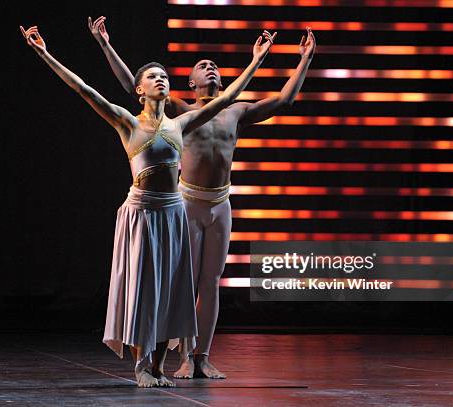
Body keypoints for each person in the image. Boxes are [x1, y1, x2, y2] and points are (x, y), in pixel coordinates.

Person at [20, 24, 275, 387]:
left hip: (174, 212)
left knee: (172, 290)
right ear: (139, 90)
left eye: (165, 76)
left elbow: (226, 98)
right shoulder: (127, 122)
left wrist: (256, 62)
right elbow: (83, 89)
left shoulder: (181, 123)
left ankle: (158, 365)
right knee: (144, 287)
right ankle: (141, 366)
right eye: (153, 77)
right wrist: (45, 53)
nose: (161, 80)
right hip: (142, 212)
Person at [89, 15, 316, 380]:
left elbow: (285, 100)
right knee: (182, 282)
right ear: (191, 82)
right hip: (186, 203)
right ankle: (179, 358)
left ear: (223, 81)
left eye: (214, 66)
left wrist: (304, 59)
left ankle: (202, 355)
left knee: (211, 281)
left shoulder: (236, 111)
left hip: (220, 203)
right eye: (201, 66)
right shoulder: (180, 111)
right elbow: (131, 83)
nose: (209, 67)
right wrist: (105, 44)